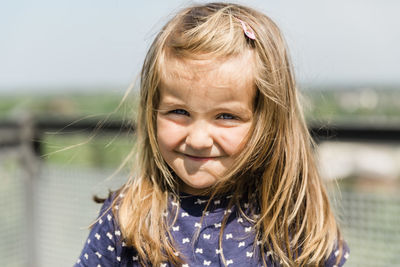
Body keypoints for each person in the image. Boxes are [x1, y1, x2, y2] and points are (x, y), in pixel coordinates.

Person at [75, 2, 349, 266]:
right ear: (153, 110)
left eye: (226, 116)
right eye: (179, 112)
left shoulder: (293, 221)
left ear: (270, 122)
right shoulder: (127, 215)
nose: (198, 139)